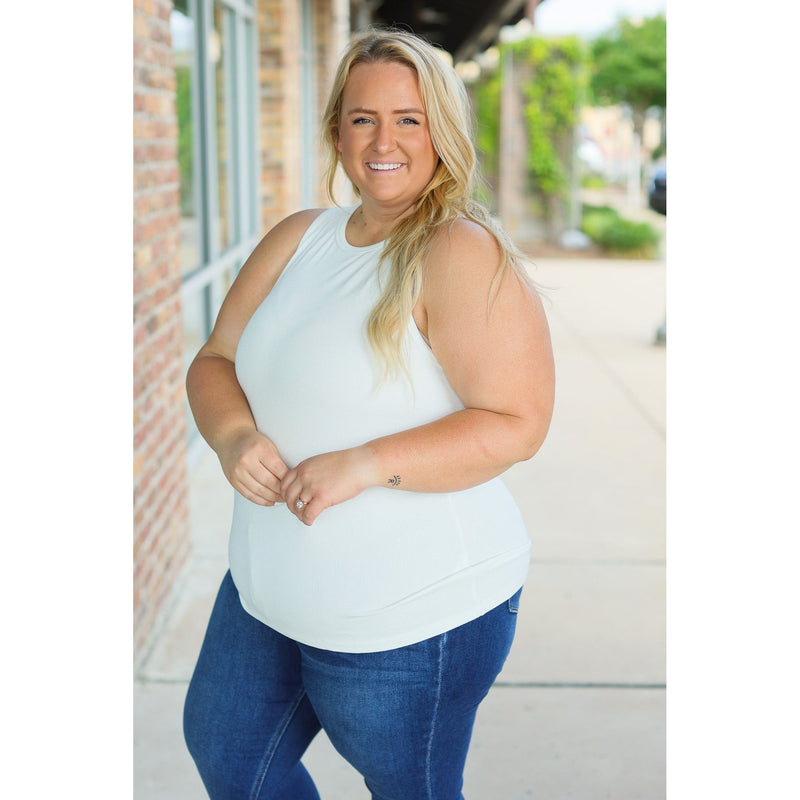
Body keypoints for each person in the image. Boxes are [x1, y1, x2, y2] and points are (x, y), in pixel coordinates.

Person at [183, 27, 555, 800]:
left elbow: (518, 421)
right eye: (362, 118)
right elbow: (214, 361)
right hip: (269, 585)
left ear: (441, 132)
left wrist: (362, 463)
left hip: (409, 613)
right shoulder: (300, 239)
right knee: (230, 755)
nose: (383, 140)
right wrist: (232, 435)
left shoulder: (458, 249)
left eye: (408, 119)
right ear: (337, 132)